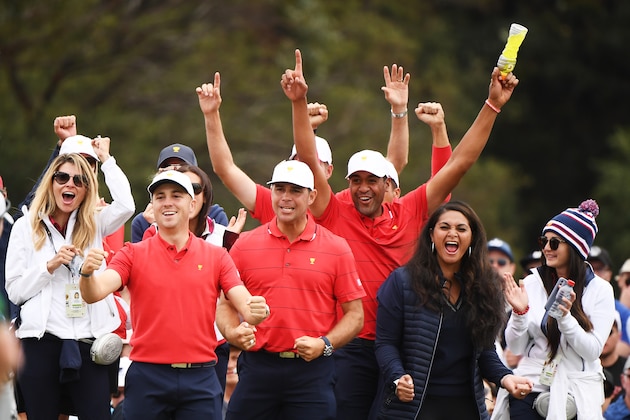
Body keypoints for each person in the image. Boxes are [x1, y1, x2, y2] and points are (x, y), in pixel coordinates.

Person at [284, 48, 519, 419]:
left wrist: (492, 104)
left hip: (406, 347)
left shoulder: (409, 211)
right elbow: (310, 163)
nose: (363, 188)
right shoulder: (334, 211)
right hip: (354, 346)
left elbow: (460, 163)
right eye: (356, 181)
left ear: (387, 182)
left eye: (372, 181)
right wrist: (299, 105)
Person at [78, 170, 268, 419]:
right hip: (148, 377)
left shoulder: (216, 256)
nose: (167, 202)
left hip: (200, 378)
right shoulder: (132, 253)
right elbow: (94, 293)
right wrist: (87, 275)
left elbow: (243, 301)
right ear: (153, 206)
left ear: (192, 205)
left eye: (176, 195)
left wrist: (255, 311)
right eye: (160, 196)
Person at [197, 65, 452, 227]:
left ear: (328, 171)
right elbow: (225, 169)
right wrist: (211, 115)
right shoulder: (277, 201)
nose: (304, 167)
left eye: (312, 163)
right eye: (297, 160)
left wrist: (399, 111)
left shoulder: (343, 206)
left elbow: (394, 163)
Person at [217, 160, 365, 419]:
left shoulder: (336, 248)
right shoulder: (244, 246)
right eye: (279, 189)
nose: (286, 198)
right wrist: (232, 332)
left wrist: (325, 344)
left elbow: (355, 315)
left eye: (295, 190)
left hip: (312, 372)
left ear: (312, 196)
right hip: (258, 367)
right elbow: (225, 304)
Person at [5, 149, 135, 419]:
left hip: (89, 342)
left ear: (87, 189)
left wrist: (107, 159)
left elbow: (126, 206)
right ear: (50, 183)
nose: (69, 184)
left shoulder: (96, 221)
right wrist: (48, 267)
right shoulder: (24, 226)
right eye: (62, 177)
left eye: (79, 180)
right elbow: (15, 292)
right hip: (41, 340)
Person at [373, 200, 532, 419]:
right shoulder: (402, 282)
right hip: (414, 408)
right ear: (431, 234)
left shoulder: (485, 288)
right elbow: (385, 343)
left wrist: (505, 378)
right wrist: (397, 378)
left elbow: (485, 352)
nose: (452, 234)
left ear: (472, 237)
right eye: (444, 227)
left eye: (461, 228)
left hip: (466, 406)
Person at [497, 199, 615, 419]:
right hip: (530, 384)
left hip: (576, 390)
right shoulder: (531, 283)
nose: (546, 248)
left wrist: (565, 318)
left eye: (554, 243)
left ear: (575, 247)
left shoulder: (601, 290)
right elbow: (516, 346)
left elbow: (592, 351)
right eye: (544, 241)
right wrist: (519, 314)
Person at [141, 164, 246, 394]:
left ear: (203, 196)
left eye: (195, 188)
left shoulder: (223, 236)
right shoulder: (152, 234)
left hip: (211, 347)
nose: (189, 194)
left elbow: (235, 293)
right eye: (177, 190)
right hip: (160, 350)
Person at [130, 142, 229, 242]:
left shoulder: (215, 215)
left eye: (182, 168)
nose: (175, 174)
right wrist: (156, 228)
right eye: (167, 169)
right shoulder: (143, 221)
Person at [589, 246, 630, 358]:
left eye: (600, 269)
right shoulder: (570, 303)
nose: (595, 274)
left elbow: (624, 349)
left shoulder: (624, 313)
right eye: (589, 268)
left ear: (610, 274)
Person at [601, 311, 626, 410]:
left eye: (609, 332)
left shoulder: (627, 369)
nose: (603, 337)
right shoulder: (581, 368)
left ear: (619, 336)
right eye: (599, 331)